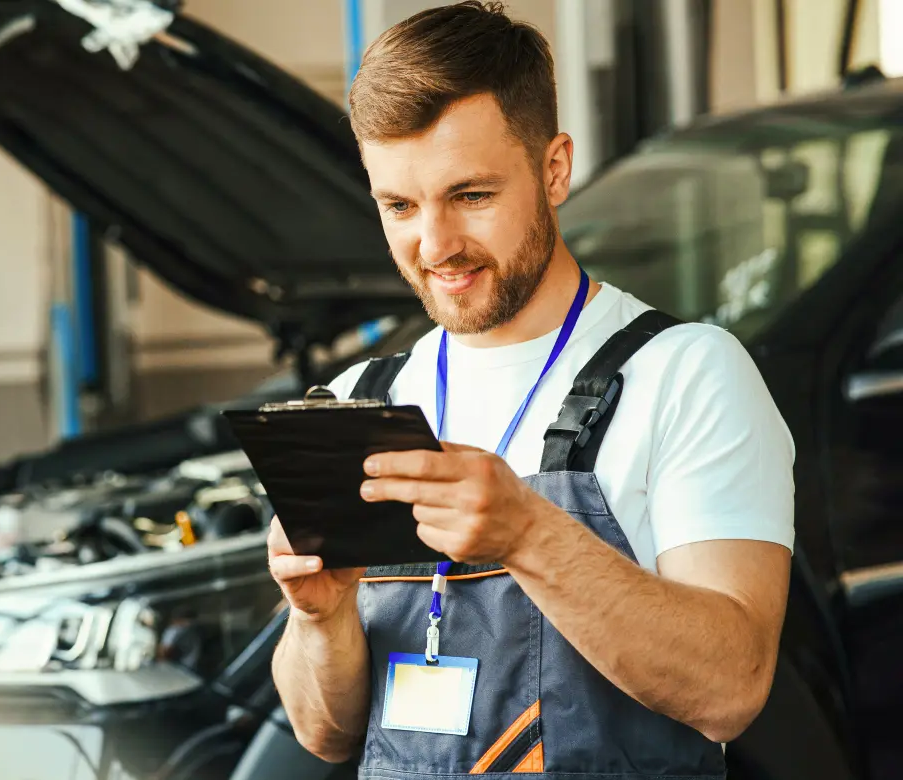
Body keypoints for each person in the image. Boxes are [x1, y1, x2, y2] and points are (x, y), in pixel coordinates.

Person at [267, 2, 795, 778]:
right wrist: (321, 617)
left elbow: (733, 686)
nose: (436, 245)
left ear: (554, 169)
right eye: (400, 206)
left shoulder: (689, 374)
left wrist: (528, 533)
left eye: (471, 195)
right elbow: (326, 734)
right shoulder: (358, 401)